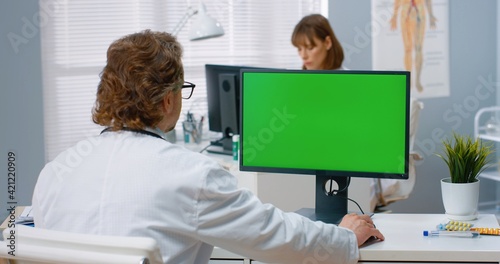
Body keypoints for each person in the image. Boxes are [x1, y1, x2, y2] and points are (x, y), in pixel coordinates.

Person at [32, 29, 384, 264]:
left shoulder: (55, 172)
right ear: (168, 100)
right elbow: (275, 236)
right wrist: (344, 239)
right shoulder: (189, 175)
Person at [390, 0, 437, 92]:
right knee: (407, 49)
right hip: (405, 14)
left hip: (419, 12)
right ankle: (409, 79)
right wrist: (394, 16)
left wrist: (431, 15)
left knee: (419, 48)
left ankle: (418, 80)